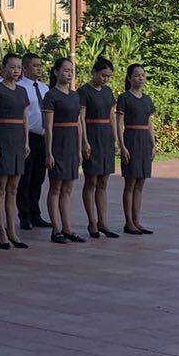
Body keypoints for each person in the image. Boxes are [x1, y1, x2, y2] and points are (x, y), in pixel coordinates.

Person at [0, 53, 30, 250]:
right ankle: (2, 231)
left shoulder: (22, 91)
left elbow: (25, 118)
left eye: (19, 67)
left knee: (13, 188)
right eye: (12, 67)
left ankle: (13, 230)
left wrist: (26, 141)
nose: (16, 71)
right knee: (1, 188)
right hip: (3, 138)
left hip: (19, 139)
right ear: (3, 68)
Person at [42, 57, 84, 243]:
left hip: (72, 145)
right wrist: (49, 152)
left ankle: (67, 229)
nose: (69, 74)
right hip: (58, 144)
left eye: (71, 71)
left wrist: (80, 149)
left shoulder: (75, 96)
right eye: (66, 70)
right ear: (56, 72)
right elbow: (48, 126)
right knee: (55, 188)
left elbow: (79, 123)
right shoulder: (51, 95)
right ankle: (56, 229)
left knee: (68, 188)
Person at [79, 57, 119, 239]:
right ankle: (92, 222)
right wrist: (84, 141)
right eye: (103, 75)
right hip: (92, 136)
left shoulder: (108, 92)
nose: (105, 79)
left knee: (103, 182)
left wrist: (115, 139)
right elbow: (81, 118)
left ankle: (103, 222)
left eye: (109, 76)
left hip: (106, 138)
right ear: (94, 72)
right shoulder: (83, 92)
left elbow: (112, 116)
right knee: (91, 181)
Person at [119, 64, 157, 235]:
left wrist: (153, 144)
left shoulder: (147, 99)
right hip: (131, 140)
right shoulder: (124, 98)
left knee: (140, 182)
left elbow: (149, 124)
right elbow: (119, 123)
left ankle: (137, 221)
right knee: (130, 183)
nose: (140, 78)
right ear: (129, 78)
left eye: (143, 75)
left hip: (144, 142)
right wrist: (122, 146)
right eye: (136, 75)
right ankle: (128, 223)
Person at [18, 53, 50, 230]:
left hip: (43, 136)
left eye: (40, 65)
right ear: (25, 67)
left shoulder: (45, 88)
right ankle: (24, 215)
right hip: (27, 136)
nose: (39, 68)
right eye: (35, 65)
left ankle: (35, 213)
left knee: (38, 177)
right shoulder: (20, 87)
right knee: (26, 177)